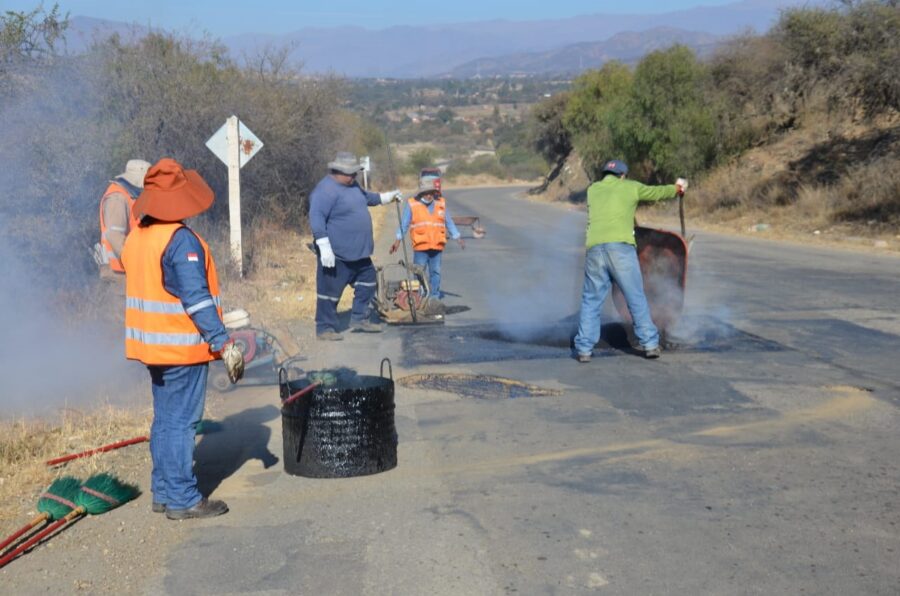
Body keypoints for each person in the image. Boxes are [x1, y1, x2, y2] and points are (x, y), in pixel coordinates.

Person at [121, 158, 244, 520]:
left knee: (165, 419)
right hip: (180, 348)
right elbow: (198, 299)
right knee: (181, 423)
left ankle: (164, 491)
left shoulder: (139, 236)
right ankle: (182, 499)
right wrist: (223, 343)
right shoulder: (181, 240)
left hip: (152, 347)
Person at [572, 159, 687, 363]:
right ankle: (650, 344)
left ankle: (583, 349)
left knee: (591, 301)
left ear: (604, 174)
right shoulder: (630, 188)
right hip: (620, 250)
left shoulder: (593, 190)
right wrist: (677, 188)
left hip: (595, 250)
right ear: (623, 175)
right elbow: (656, 192)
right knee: (635, 297)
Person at [309, 152, 402, 340]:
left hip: (359, 252)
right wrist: (323, 244)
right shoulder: (325, 191)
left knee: (368, 282)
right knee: (329, 293)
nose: (354, 176)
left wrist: (387, 197)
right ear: (337, 171)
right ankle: (325, 328)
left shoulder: (352, 186)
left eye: (355, 173)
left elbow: (368, 198)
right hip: (337, 253)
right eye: (350, 174)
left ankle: (360, 318)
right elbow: (316, 217)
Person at [389, 177, 464, 299]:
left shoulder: (441, 203)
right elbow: (404, 224)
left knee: (436, 272)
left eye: (431, 193)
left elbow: (448, 221)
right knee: (419, 272)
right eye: (426, 193)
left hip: (437, 246)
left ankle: (434, 296)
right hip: (420, 247)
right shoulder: (412, 204)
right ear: (421, 193)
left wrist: (457, 237)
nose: (429, 196)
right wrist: (397, 240)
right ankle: (419, 297)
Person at [97, 159, 151, 276]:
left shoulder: (129, 196)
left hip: (124, 270)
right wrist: (133, 261)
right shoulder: (118, 198)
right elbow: (114, 235)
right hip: (118, 272)